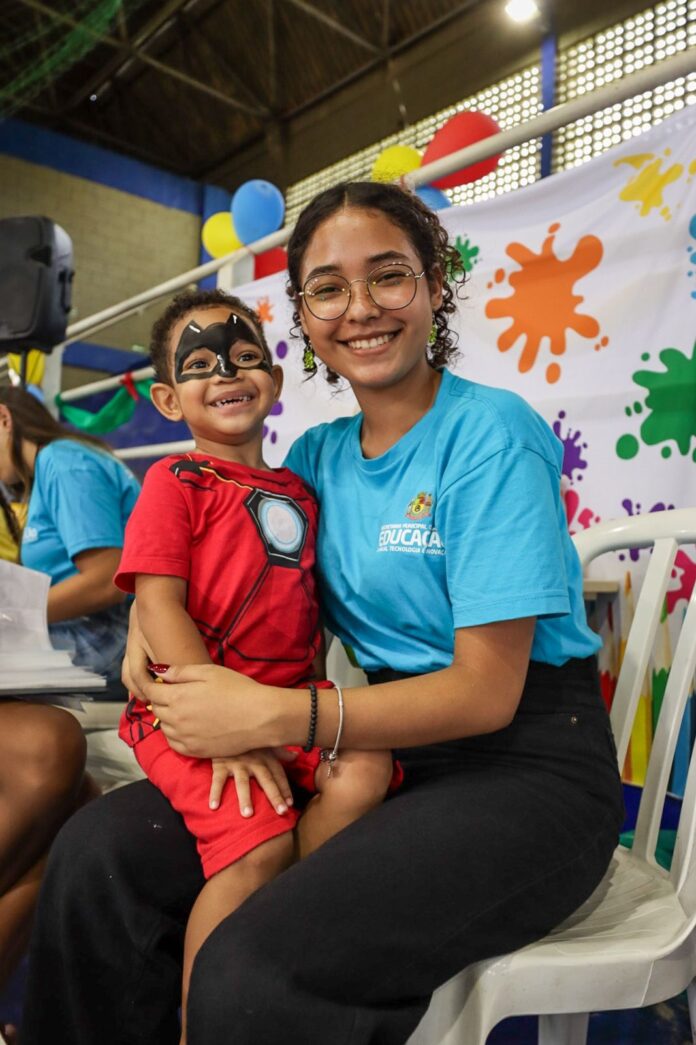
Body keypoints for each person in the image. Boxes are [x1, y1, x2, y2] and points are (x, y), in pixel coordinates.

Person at [21, 182, 624, 1045]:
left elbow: (488, 693)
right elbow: (217, 594)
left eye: (389, 276)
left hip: (520, 764)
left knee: (255, 968)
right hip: (368, 745)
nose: (361, 309)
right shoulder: (310, 461)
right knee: (96, 859)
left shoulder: (492, 433)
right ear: (301, 315)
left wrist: (271, 712)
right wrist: (152, 644)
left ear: (435, 287)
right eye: (328, 288)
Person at [113, 288, 396, 1039]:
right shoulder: (174, 485)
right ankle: (199, 1022)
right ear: (170, 399)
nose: (227, 374)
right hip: (192, 713)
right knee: (257, 837)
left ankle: (282, 928)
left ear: (271, 379)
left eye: (244, 358)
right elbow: (159, 603)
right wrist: (224, 721)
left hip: (286, 704)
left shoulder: (300, 488)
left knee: (366, 766)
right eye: (201, 365)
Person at [0, 386, 140, 1024]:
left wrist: (13, 612)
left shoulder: (64, 461)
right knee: (68, 811)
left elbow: (109, 574)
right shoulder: (50, 473)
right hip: (78, 673)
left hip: (103, 673)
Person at [0, 387, 141, 694]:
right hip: (94, 623)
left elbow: (107, 582)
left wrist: (16, 616)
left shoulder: (63, 462)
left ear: (3, 419)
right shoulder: (55, 465)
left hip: (112, 630)